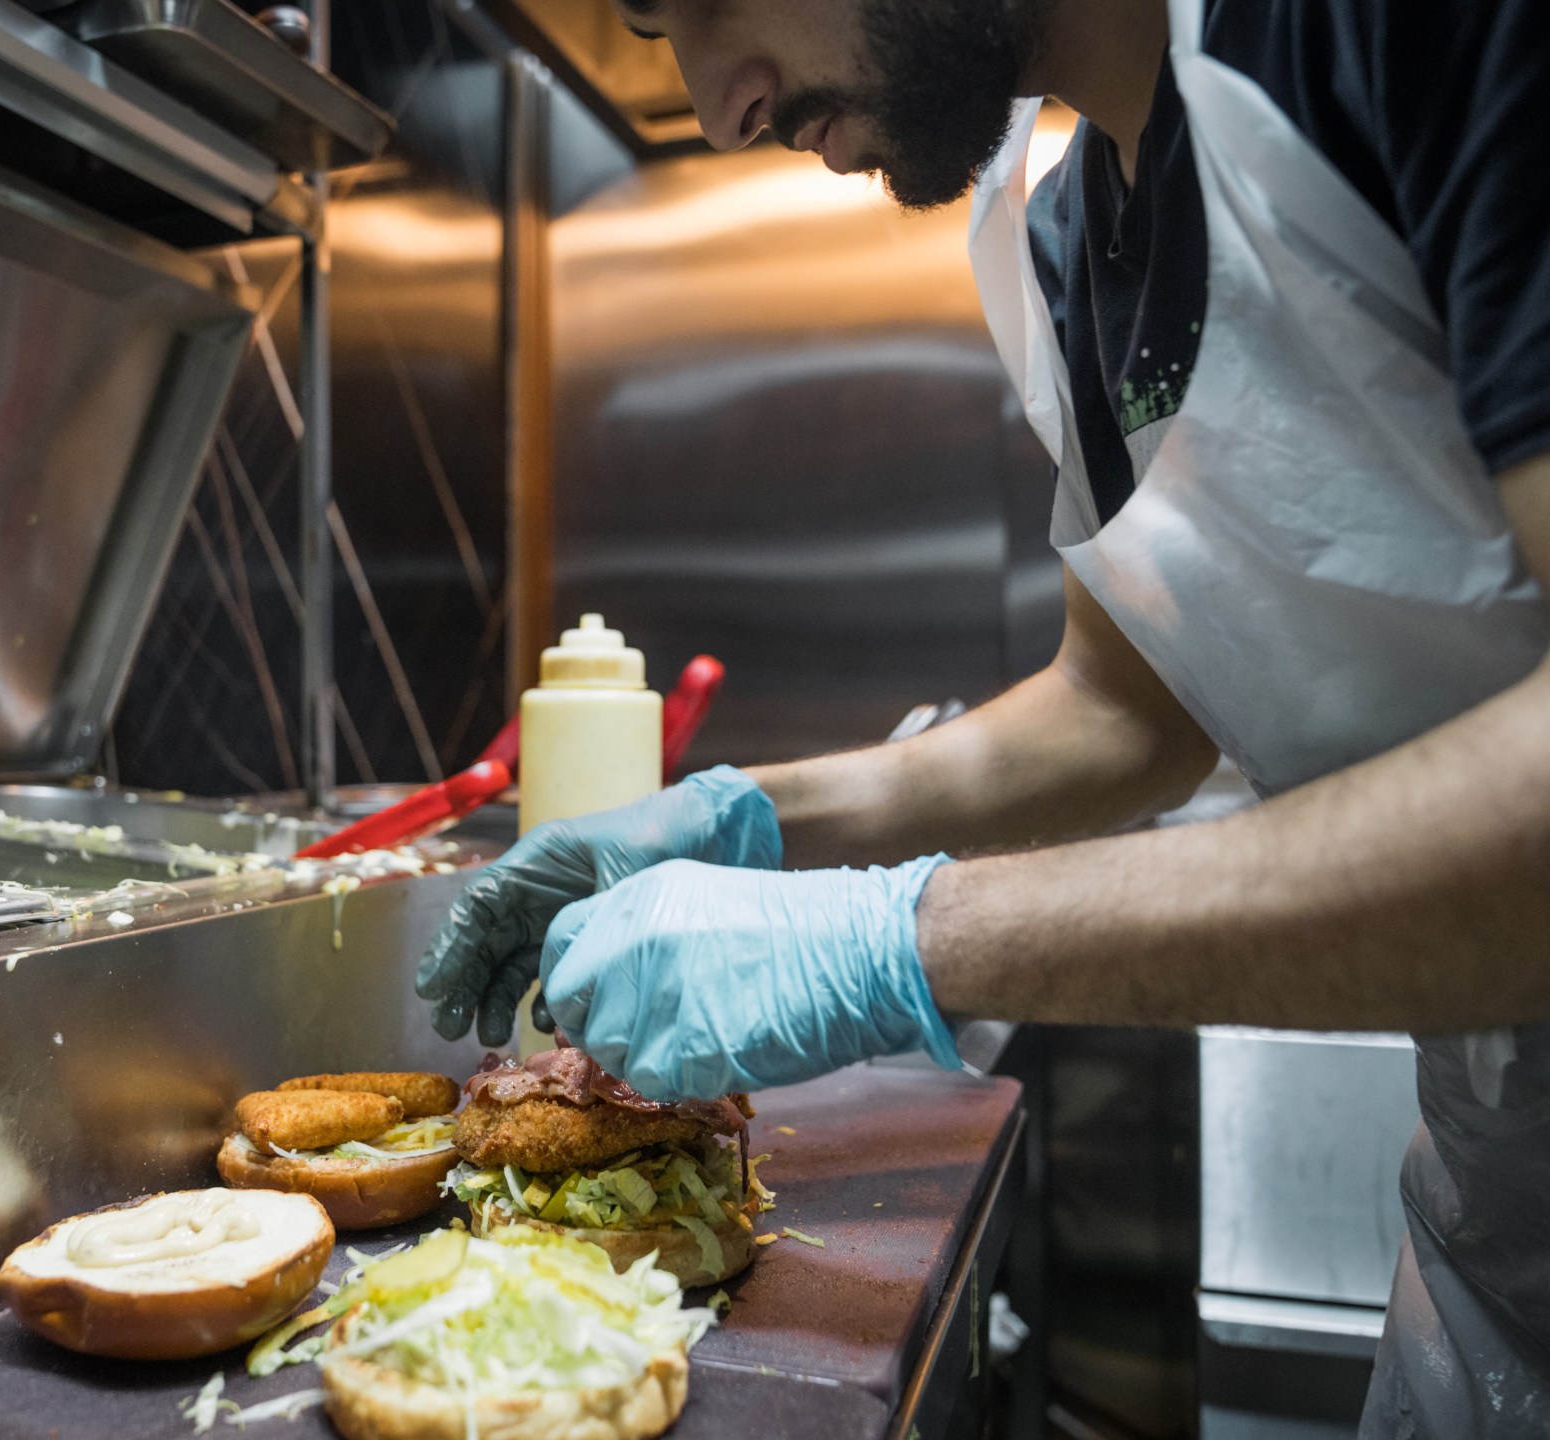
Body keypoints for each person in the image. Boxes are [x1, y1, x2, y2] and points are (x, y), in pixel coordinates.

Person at [416, 0, 1550, 1432]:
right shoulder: (1068, 240)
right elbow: (1124, 711)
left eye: (696, 3)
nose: (718, 107)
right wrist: (751, 820)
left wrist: (894, 942)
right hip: (1499, 1206)